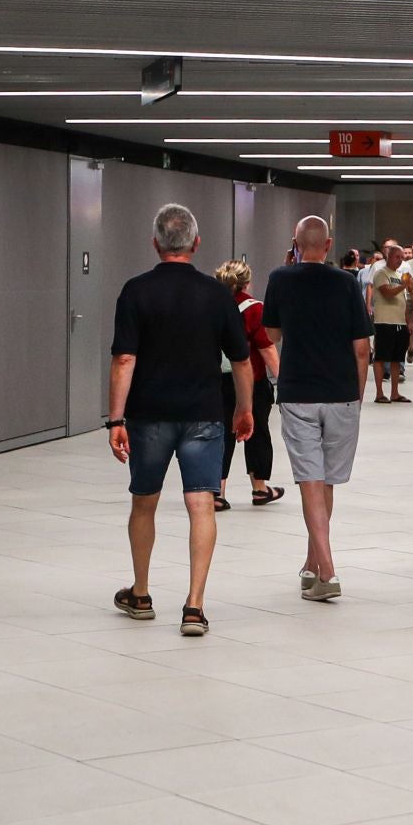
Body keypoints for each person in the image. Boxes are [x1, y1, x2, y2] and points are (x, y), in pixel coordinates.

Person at [107, 204, 253, 636]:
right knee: (201, 503)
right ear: (196, 243)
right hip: (204, 414)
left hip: (149, 414)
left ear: (155, 243)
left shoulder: (135, 291)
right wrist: (244, 409)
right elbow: (241, 361)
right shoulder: (217, 295)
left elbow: (124, 358)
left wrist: (116, 417)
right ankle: (194, 605)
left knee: (144, 501)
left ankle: (142, 592)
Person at [263, 215, 372, 602]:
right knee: (324, 481)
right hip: (341, 393)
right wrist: (357, 397)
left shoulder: (279, 278)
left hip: (298, 393)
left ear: (295, 243)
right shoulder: (346, 282)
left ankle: (324, 568)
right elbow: (362, 349)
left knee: (310, 478)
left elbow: (271, 334)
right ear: (328, 247)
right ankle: (315, 563)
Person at [214, 259, 283, 509]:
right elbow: (267, 349)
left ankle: (216, 491)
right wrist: (285, 383)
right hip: (252, 381)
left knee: (221, 434)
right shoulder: (254, 309)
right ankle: (260, 488)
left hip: (218, 382)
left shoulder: (212, 307)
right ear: (247, 282)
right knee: (258, 433)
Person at [366, 242, 412, 403]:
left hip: (400, 323)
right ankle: (379, 393)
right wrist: (404, 286)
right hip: (384, 322)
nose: (400, 260)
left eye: (402, 257)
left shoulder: (400, 275)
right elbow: (387, 294)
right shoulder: (381, 273)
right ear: (388, 256)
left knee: (396, 358)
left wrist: (408, 321)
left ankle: (395, 392)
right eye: (396, 256)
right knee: (381, 357)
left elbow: (403, 299)